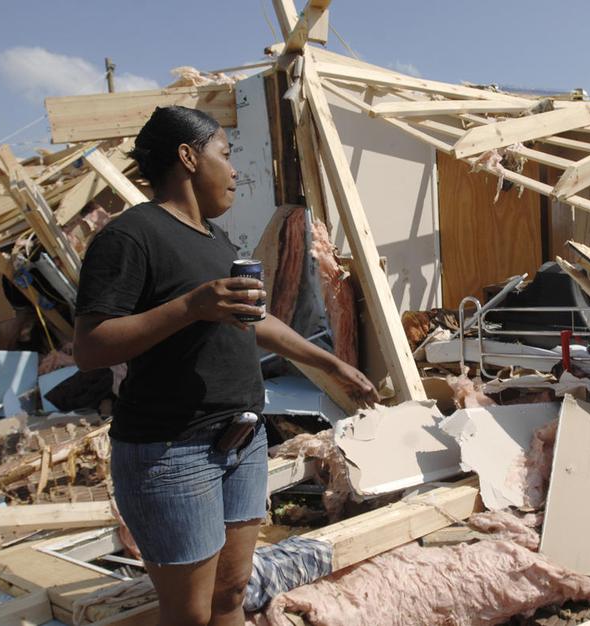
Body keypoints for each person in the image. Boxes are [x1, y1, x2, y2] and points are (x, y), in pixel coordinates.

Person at [73, 105, 378, 626]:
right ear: (188, 158)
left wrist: (332, 365)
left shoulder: (215, 241)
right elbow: (91, 347)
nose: (235, 170)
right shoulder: (131, 236)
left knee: (231, 592)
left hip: (241, 440)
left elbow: (255, 320)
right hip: (172, 450)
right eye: (226, 153)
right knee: (190, 613)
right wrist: (192, 305)